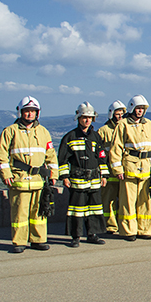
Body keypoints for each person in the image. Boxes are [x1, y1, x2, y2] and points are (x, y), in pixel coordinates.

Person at [0, 96, 59, 253]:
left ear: (37, 113)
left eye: (32, 111)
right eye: (27, 111)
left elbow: (51, 155)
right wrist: (6, 174)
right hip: (19, 179)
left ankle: (38, 240)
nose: (30, 114)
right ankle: (20, 242)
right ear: (20, 112)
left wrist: (53, 174)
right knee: (20, 214)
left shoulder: (43, 132)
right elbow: (1, 155)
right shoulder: (10, 131)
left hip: (38, 180)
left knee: (39, 211)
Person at [109, 95, 151, 241]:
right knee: (128, 202)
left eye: (142, 109)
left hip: (147, 169)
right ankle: (128, 231)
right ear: (132, 108)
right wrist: (118, 169)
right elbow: (116, 149)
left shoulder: (149, 124)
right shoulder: (123, 124)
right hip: (130, 168)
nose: (140, 111)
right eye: (138, 108)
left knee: (146, 202)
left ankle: (144, 230)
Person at [58, 102, 109, 247]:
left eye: (90, 117)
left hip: (94, 180)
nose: (87, 120)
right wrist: (65, 177)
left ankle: (92, 234)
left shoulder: (96, 137)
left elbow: (101, 157)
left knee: (94, 209)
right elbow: (62, 159)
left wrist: (104, 175)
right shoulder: (70, 137)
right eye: (84, 117)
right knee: (77, 210)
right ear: (78, 118)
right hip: (77, 180)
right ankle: (76, 236)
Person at [97, 100, 126, 234]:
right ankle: (109, 226)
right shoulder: (103, 131)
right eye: (117, 114)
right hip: (109, 172)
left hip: (124, 171)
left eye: (122, 114)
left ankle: (122, 224)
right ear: (111, 115)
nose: (120, 117)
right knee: (108, 200)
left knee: (124, 201)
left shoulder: (127, 128)